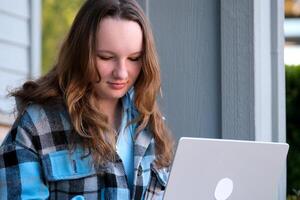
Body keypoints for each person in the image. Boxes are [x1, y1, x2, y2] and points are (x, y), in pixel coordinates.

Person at [0, 0, 174, 199]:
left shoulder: (148, 123)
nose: (122, 73)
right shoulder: (35, 127)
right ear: (80, 54)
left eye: (134, 58)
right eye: (106, 57)